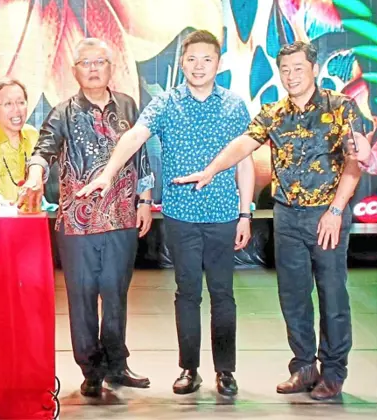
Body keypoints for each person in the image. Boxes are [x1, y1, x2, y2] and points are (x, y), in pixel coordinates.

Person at [173, 41, 363, 401]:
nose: (291, 76)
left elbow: (354, 162)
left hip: (327, 215)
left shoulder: (341, 107)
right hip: (286, 215)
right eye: (285, 70)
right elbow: (243, 143)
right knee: (293, 297)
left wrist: (336, 211)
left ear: (314, 69)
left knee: (333, 296)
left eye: (298, 69)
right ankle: (304, 367)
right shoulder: (273, 112)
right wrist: (211, 170)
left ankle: (334, 372)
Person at [77, 30, 255, 396]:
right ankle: (189, 368)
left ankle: (226, 371)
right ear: (183, 63)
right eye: (192, 59)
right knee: (187, 292)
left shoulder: (235, 105)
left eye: (207, 59)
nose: (199, 66)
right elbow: (134, 137)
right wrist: (107, 175)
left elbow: (245, 162)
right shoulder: (166, 103)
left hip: (223, 213)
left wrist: (245, 214)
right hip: (180, 215)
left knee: (223, 294)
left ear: (218, 63)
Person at [17, 38, 154, 398]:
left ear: (111, 67)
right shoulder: (61, 112)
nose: (93, 68)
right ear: (74, 70)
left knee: (115, 294)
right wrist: (35, 173)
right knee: (82, 297)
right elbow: (43, 147)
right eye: (85, 63)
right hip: (77, 225)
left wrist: (145, 198)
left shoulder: (127, 105)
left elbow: (139, 155)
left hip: (123, 216)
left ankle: (117, 364)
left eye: (100, 62)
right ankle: (90, 369)